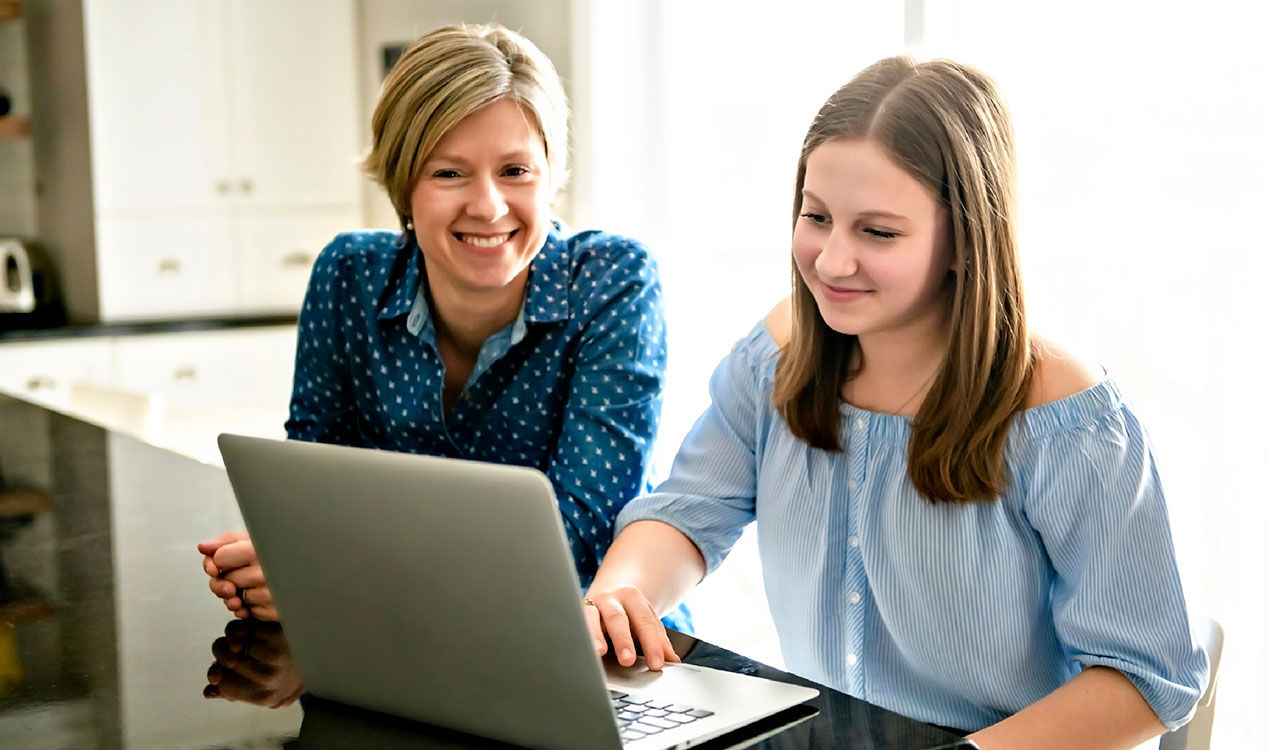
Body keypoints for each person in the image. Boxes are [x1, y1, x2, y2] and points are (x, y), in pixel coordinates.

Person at [581, 56, 1209, 748]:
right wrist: (619, 593)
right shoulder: (775, 357)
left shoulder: (1067, 420)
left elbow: (1146, 676)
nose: (831, 261)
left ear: (965, 241)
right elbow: (689, 512)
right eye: (817, 217)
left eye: (877, 232)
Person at [199, 22, 684, 629]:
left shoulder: (611, 280)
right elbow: (311, 492)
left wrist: (333, 574)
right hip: (396, 632)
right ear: (403, 184)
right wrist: (282, 559)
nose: (488, 206)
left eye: (516, 170)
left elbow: (579, 530)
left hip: (580, 636)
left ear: (551, 178)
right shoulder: (348, 275)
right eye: (449, 173)